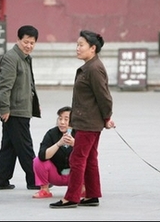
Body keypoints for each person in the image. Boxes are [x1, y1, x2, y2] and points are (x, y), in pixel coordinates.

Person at [49, 30, 115, 208]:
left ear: (92, 48)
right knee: (90, 158)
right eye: (77, 44)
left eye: (81, 45)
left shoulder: (94, 69)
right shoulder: (90, 66)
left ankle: (71, 197)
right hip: (87, 121)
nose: (77, 48)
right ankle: (92, 195)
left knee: (76, 159)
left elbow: (105, 97)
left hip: (88, 123)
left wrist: (107, 117)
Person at [0, 25, 41, 190]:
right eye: (26, 42)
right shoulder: (11, 58)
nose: (28, 46)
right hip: (14, 110)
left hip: (22, 108)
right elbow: (3, 87)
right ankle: (36, 179)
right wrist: (4, 108)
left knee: (10, 145)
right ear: (18, 40)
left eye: (32, 43)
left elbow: (28, 84)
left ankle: (1, 179)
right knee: (25, 146)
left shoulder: (25, 58)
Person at [32, 106, 86, 199]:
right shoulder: (51, 133)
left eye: (66, 119)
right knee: (37, 161)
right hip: (56, 174)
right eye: (60, 119)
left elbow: (88, 153)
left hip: (74, 175)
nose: (62, 122)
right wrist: (58, 144)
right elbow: (42, 156)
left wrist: (75, 144)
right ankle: (44, 189)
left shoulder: (79, 133)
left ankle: (83, 189)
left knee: (87, 161)